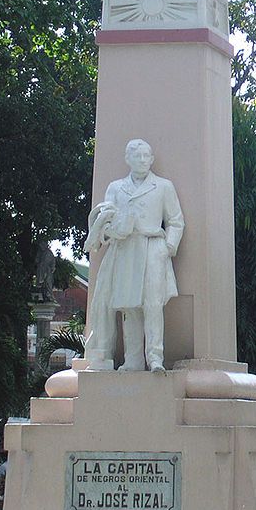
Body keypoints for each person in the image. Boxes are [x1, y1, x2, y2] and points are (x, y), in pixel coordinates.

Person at [84, 139, 185, 372]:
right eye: (137, 156)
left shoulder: (163, 186)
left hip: (152, 247)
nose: (142, 161)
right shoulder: (116, 187)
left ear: (151, 159)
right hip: (125, 249)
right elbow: (106, 220)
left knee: (152, 305)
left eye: (146, 156)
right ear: (128, 159)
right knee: (129, 306)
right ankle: (134, 359)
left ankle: (155, 357)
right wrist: (111, 231)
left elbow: (175, 221)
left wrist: (168, 247)